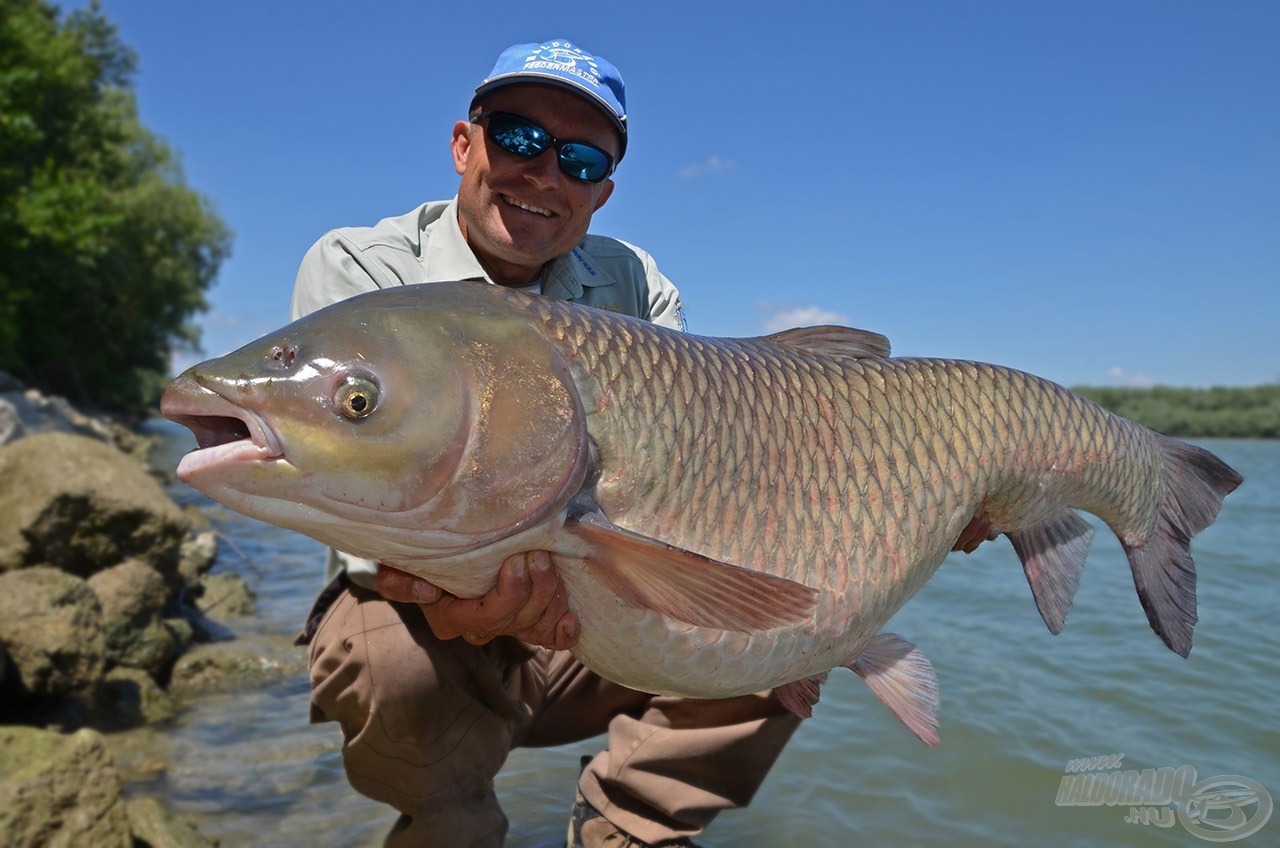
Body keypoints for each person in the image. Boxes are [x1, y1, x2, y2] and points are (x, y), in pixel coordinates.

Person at [291, 40, 798, 848]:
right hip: (423, 617)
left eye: (581, 157)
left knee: (794, 626)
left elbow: (695, 484)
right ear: (465, 144)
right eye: (520, 137)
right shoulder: (362, 268)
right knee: (385, 656)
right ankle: (447, 824)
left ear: (603, 191)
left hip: (590, 608)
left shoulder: (637, 287)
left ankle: (628, 828)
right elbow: (354, 506)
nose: (544, 174)